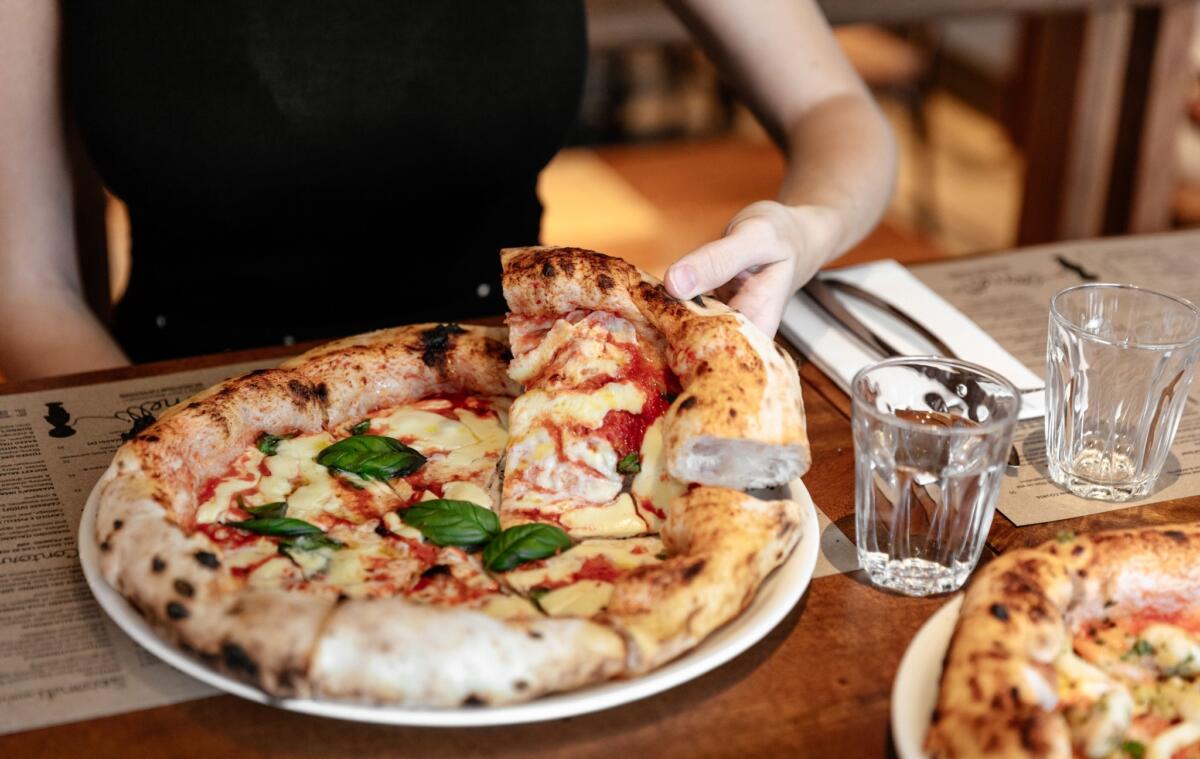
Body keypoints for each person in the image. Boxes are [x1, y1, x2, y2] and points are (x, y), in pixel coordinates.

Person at [0, 0, 895, 381]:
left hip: (517, 411)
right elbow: (27, 281)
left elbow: (832, 107)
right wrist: (163, 461)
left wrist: (801, 228)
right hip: (175, 394)